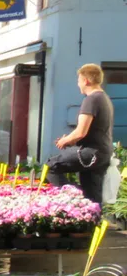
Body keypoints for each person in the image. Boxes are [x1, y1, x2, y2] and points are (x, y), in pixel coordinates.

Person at [47, 64, 114, 205]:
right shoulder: (104, 98)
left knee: (51, 166)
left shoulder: (91, 99)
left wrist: (64, 141)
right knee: (92, 194)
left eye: (79, 80)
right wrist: (70, 139)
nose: (78, 85)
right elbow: (92, 130)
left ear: (86, 80)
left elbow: (81, 132)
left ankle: (75, 196)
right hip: (103, 153)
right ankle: (93, 221)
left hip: (90, 152)